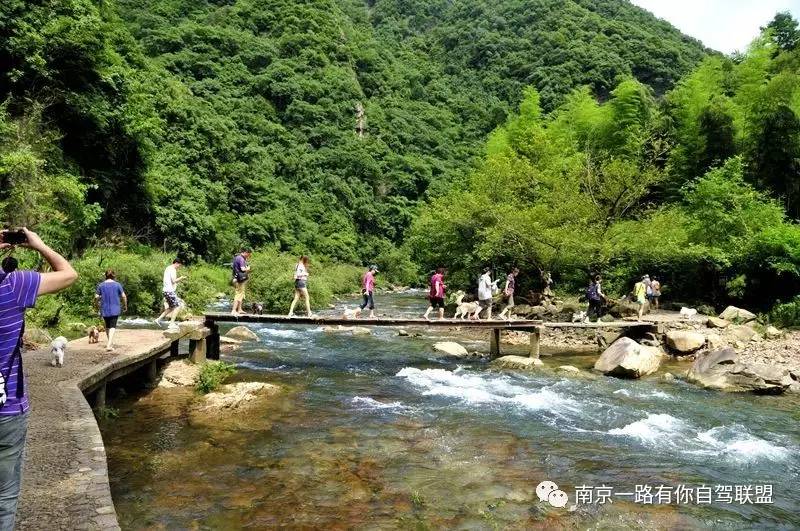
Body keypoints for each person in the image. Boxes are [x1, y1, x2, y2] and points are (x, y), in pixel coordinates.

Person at [0, 227, 77, 529]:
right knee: (4, 497)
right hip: (7, 409)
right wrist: (39, 245)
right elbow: (68, 274)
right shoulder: (13, 284)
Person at [94, 269, 127, 352]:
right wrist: (125, 305)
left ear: (105, 276)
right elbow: (123, 296)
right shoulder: (117, 285)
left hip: (104, 308)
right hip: (115, 308)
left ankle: (110, 342)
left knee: (107, 326)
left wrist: (96, 305)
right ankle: (109, 345)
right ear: (113, 276)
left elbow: (96, 297)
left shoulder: (101, 285)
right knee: (112, 326)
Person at [155, 258, 185, 330]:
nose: (179, 267)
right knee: (178, 306)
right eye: (179, 266)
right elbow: (174, 281)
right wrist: (181, 278)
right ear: (176, 263)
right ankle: (171, 324)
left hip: (166, 291)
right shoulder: (173, 269)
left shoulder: (168, 268)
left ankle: (158, 319)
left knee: (171, 307)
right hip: (169, 291)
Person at [231, 248, 252, 316]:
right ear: (245, 252)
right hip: (239, 279)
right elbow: (243, 269)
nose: (248, 256)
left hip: (237, 278)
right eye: (248, 255)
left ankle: (239, 309)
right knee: (238, 294)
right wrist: (248, 269)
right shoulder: (241, 259)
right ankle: (234, 310)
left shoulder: (237, 257)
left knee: (241, 293)